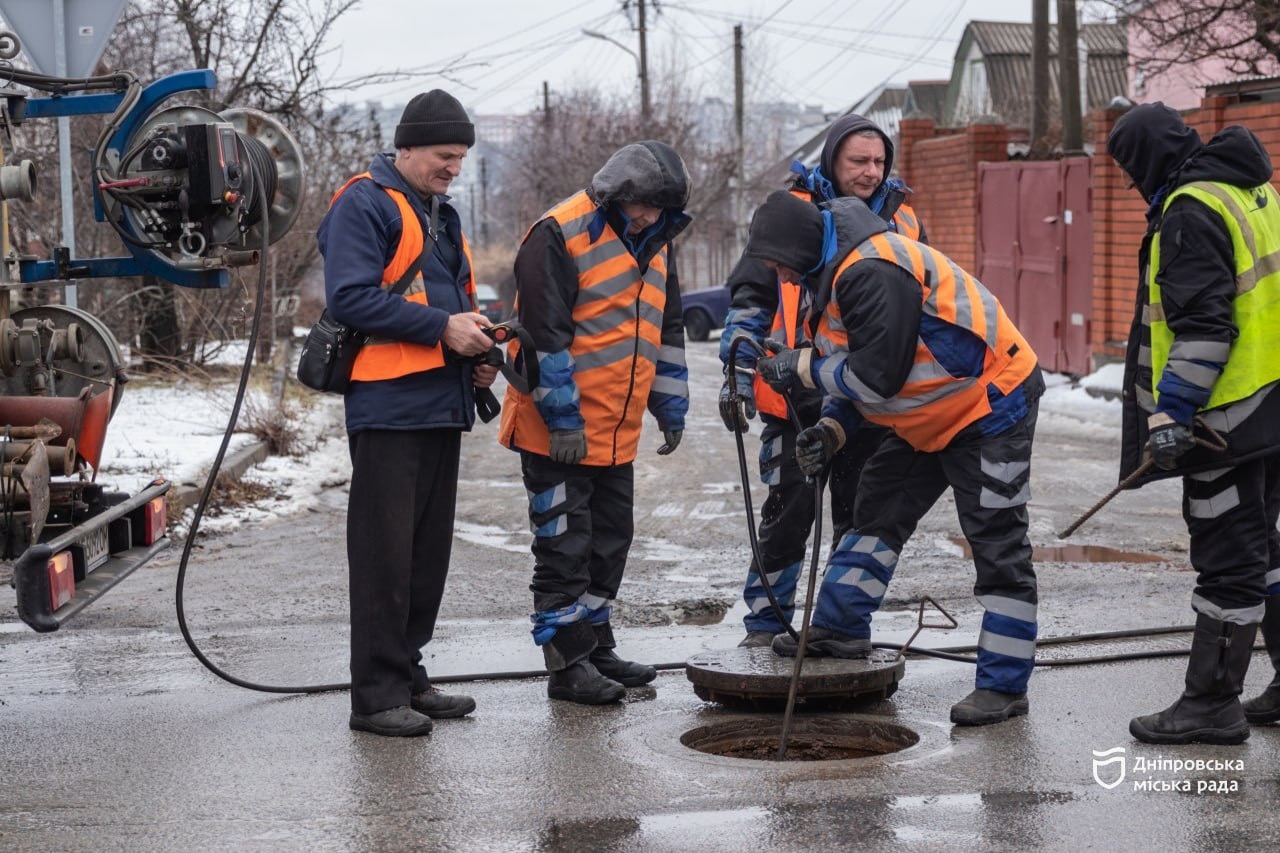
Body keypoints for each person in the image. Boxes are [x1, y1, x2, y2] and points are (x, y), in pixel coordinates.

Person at [743, 189, 1044, 726]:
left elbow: (877, 374)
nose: (783, 281)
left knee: (996, 539)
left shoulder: (870, 270)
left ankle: (1004, 685)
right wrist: (833, 427)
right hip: (930, 414)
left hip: (990, 406)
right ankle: (838, 627)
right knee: (875, 508)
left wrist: (803, 369)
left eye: (781, 268)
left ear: (799, 247)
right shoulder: (830, 273)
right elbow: (853, 361)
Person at [317, 89, 496, 737]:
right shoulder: (363, 201)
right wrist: (442, 330)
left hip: (439, 403)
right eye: (446, 155)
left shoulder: (439, 213)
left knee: (425, 557)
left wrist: (476, 349)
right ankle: (376, 694)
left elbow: (448, 301)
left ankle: (407, 673)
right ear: (410, 145)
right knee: (384, 557)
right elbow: (351, 297)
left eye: (463, 157)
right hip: (388, 406)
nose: (455, 167)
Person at [717, 114, 927, 648]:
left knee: (859, 515)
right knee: (788, 515)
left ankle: (833, 626)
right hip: (792, 397)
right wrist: (738, 371)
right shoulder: (791, 213)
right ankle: (766, 624)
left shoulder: (904, 221)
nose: (871, 172)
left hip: (867, 399)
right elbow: (750, 297)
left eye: (880, 162)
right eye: (859, 161)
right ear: (832, 158)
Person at [1107, 102, 1280, 744]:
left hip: (1222, 422)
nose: (1132, 183)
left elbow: (1204, 326)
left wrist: (1172, 412)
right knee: (1264, 547)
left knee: (1228, 560)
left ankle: (1210, 704)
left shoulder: (1190, 210)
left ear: (1147, 158)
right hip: (1270, 407)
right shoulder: (1251, 188)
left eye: (1130, 169)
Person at [499, 141, 692, 705]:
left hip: (615, 431)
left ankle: (596, 644)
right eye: (645, 206)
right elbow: (544, 338)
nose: (652, 218)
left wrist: (670, 407)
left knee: (609, 542)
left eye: (661, 210)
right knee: (563, 546)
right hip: (556, 431)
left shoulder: (655, 242)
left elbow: (667, 328)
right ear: (620, 193)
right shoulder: (556, 234)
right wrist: (561, 420)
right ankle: (568, 665)